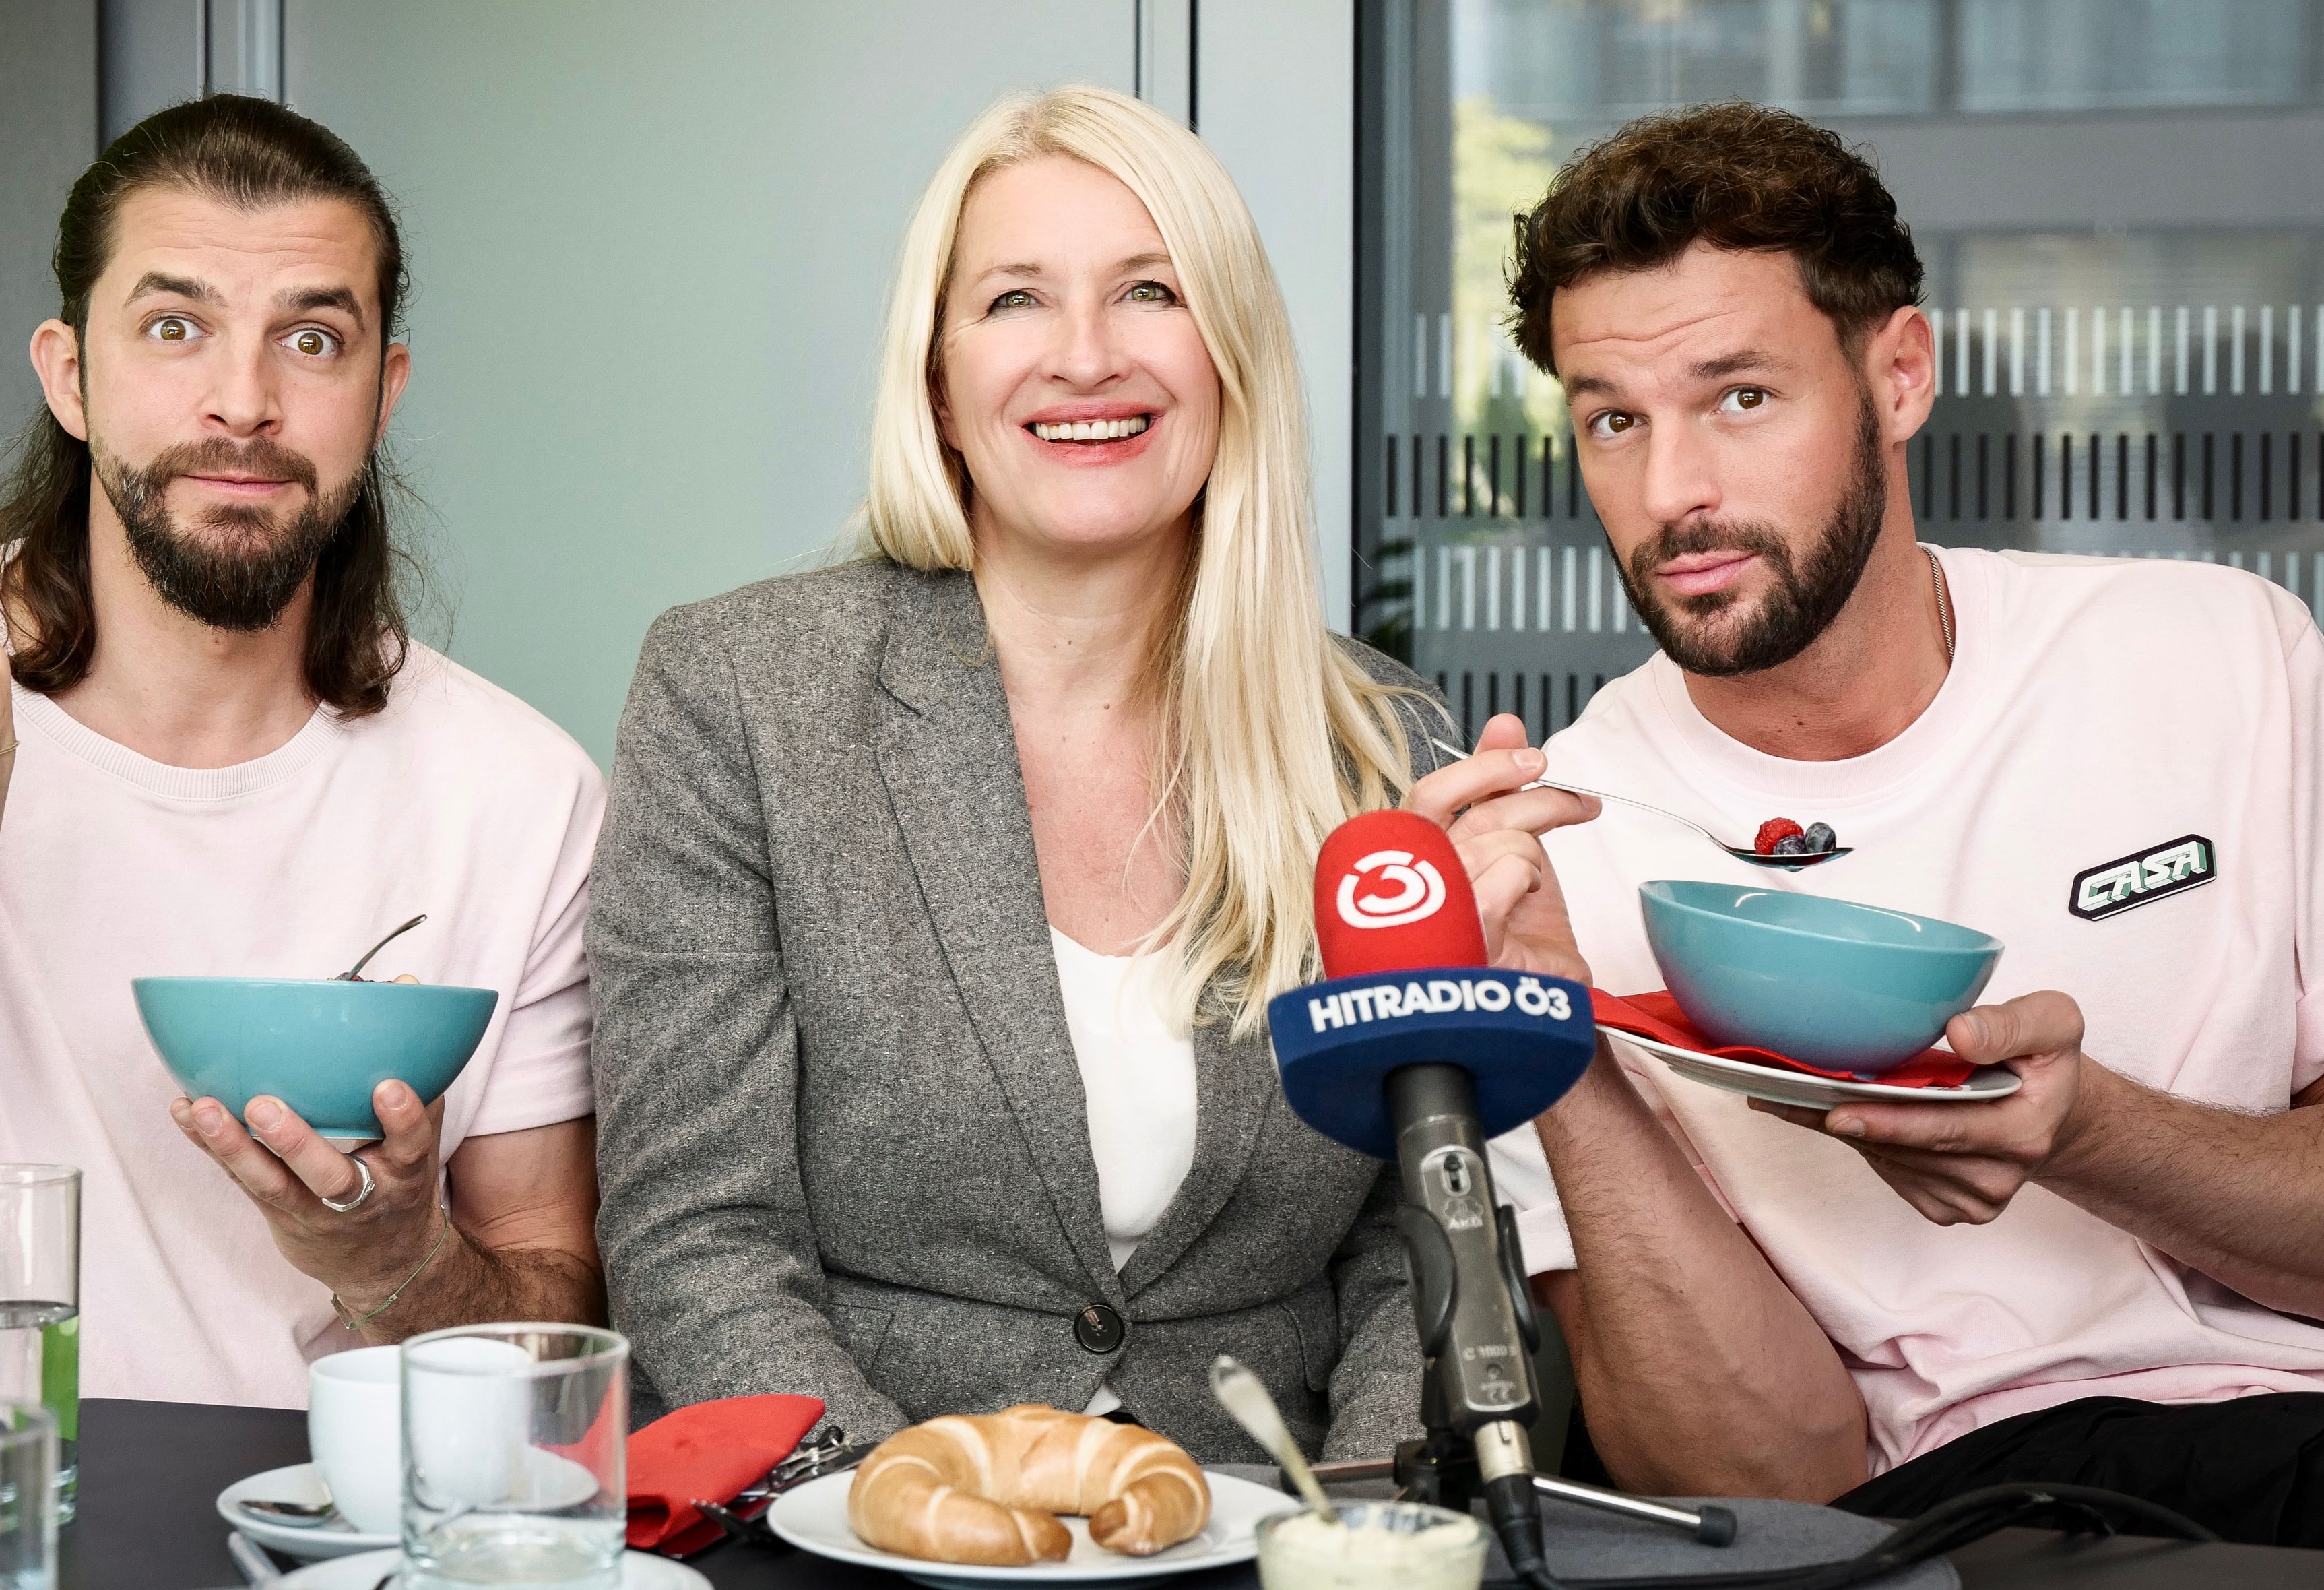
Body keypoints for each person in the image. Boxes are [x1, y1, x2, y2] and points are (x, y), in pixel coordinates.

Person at [587, 84, 1584, 1463]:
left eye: (1147, 293)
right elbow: (695, 1239)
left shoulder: (1382, 741)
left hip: (1266, 1522)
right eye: (1012, 302)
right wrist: (909, 1518)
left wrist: (1358, 1525)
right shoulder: (742, 693)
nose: (1083, 357)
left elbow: (1401, 1242)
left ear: (1229, 351)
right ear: (936, 379)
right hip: (861, 1532)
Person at [0, 95, 605, 1492]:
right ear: (69, 373)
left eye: (311, 339)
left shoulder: (519, 789)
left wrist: (402, 1266)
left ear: (381, 393)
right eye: (173, 326)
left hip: (330, 1538)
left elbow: (554, 1368)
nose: (244, 400)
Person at [1479, 101, 2324, 1544]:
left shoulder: (2227, 657)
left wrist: (2083, 1129)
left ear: (1898, 375)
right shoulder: (1551, 852)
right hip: (1938, 1516)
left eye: (1738, 396)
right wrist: (1547, 1040)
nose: (1671, 491)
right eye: (1613, 418)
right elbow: (1766, 1485)